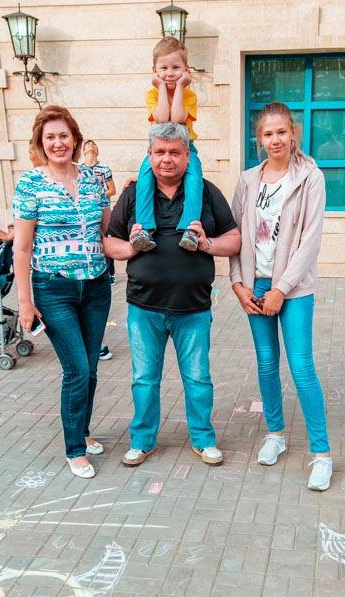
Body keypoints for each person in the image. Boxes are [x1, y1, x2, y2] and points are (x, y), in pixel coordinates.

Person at [105, 122, 241, 469]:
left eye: (175, 152)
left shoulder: (206, 192)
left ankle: (203, 439)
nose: (167, 159)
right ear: (149, 155)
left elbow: (234, 240)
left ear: (187, 156)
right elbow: (110, 241)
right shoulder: (134, 194)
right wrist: (131, 248)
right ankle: (142, 441)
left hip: (192, 308)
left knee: (198, 379)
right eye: (160, 152)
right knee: (144, 380)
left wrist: (207, 243)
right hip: (144, 307)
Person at [231, 102, 334, 492]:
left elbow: (310, 242)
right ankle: (275, 434)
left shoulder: (310, 177)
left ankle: (321, 454)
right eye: (267, 133)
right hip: (254, 286)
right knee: (266, 362)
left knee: (302, 366)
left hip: (293, 289)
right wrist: (238, 284)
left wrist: (281, 289)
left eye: (281, 132)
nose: (275, 139)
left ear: (294, 133)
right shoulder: (248, 180)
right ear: (259, 138)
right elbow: (235, 236)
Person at [12, 105, 112, 480]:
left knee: (90, 368)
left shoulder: (93, 179)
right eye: (50, 137)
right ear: (41, 143)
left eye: (64, 136)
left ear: (75, 140)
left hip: (96, 285)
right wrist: (25, 302)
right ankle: (74, 449)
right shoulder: (30, 183)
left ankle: (82, 432)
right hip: (53, 288)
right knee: (77, 369)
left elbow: (107, 230)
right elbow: (22, 247)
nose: (58, 143)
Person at [131, 37, 204, 254]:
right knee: (144, 179)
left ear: (186, 69)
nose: (170, 73)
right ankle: (144, 228)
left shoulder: (189, 94)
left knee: (194, 179)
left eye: (176, 68)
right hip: (158, 150)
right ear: (154, 70)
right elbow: (162, 118)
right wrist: (161, 87)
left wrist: (180, 87)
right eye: (163, 68)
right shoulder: (152, 94)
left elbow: (178, 119)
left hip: (185, 150)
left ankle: (190, 229)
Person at [81, 139, 118, 361]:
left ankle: (109, 273)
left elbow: (112, 189)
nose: (90, 146)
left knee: (105, 242)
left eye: (93, 144)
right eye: (88, 144)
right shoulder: (78, 170)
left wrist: (99, 194)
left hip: (101, 211)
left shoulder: (103, 168)